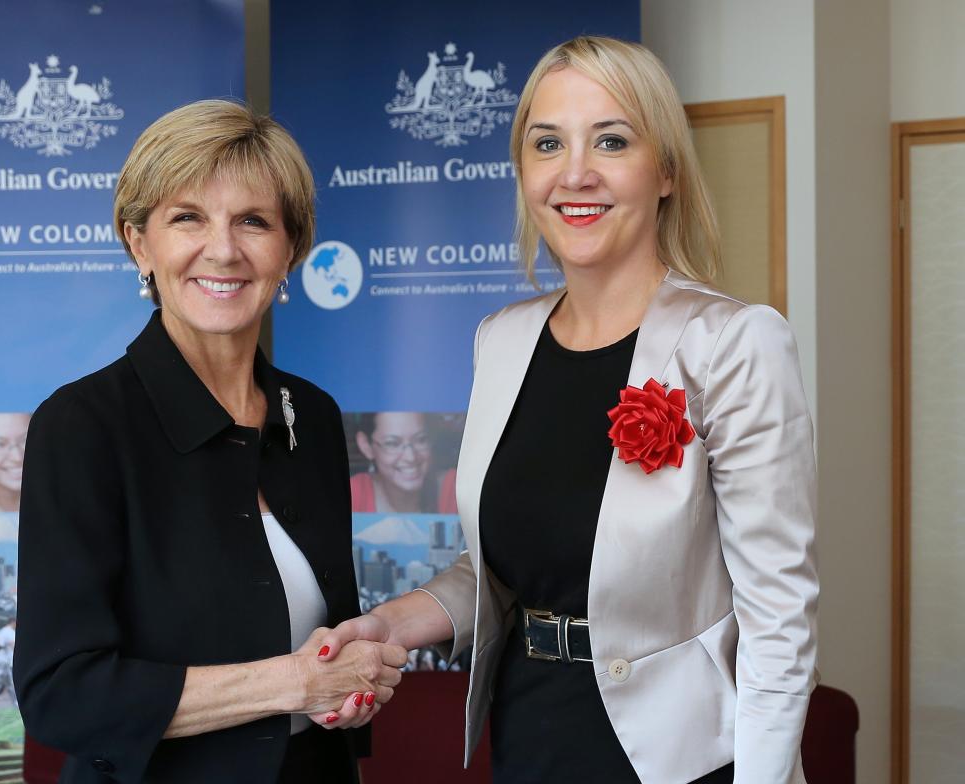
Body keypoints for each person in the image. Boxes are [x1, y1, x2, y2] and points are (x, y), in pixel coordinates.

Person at [315, 36, 818, 784]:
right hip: (533, 733)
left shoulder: (734, 344)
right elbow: (510, 569)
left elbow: (780, 617)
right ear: (523, 172)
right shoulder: (502, 340)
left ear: (667, 170)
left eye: (611, 140)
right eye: (548, 143)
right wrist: (393, 622)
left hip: (684, 755)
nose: (575, 173)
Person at [14, 99, 407, 784]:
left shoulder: (310, 416)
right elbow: (62, 695)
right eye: (187, 217)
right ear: (140, 242)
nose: (222, 249)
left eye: (253, 221)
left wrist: (351, 685)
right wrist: (293, 683)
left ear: (291, 250)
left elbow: (326, 662)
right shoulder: (81, 426)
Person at [349, 412, 458, 513]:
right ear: (366, 446)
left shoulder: (457, 488)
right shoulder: (354, 493)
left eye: (421, 440)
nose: (410, 457)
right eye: (392, 443)